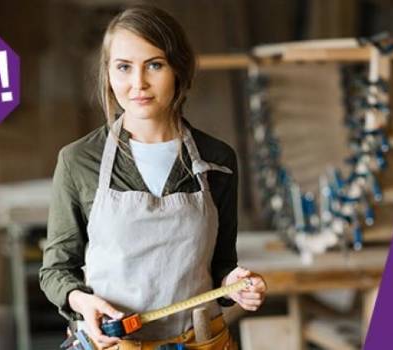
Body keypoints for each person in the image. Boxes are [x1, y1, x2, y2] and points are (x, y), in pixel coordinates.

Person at [39, 4, 267, 350]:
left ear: (178, 69)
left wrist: (236, 283)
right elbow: (56, 271)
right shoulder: (79, 161)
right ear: (108, 74)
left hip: (200, 343)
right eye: (124, 68)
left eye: (155, 65)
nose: (138, 84)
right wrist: (82, 301)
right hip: (112, 345)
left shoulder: (217, 160)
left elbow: (221, 264)